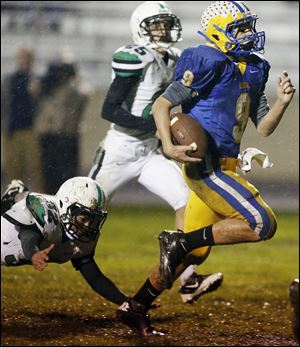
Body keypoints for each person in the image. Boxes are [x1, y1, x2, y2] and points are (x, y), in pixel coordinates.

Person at [116, 0, 296, 336]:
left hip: (226, 164)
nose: (249, 34)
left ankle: (135, 305)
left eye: (249, 26)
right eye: (240, 29)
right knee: (261, 223)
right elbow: (162, 104)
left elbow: (264, 126)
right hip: (207, 167)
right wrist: (169, 145)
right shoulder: (207, 59)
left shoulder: (256, 67)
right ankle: (177, 244)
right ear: (218, 32)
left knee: (194, 253)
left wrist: (283, 103)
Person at [88, 0, 223, 307]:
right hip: (119, 150)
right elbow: (109, 110)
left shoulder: (174, 57)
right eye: (155, 25)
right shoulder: (134, 58)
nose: (162, 30)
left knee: (186, 204)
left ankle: (187, 277)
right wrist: (155, 128)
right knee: (83, 212)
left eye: (165, 23)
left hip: (150, 152)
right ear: (140, 28)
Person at [1, 177, 127, 306]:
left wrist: (126, 302)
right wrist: (33, 253)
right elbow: (28, 235)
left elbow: (94, 277)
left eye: (94, 220)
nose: (88, 226)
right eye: (83, 219)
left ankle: (16, 195)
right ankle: (14, 196)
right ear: (66, 207)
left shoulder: (81, 240)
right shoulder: (48, 217)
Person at [35, 58, 88, 194]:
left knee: (66, 173)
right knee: (50, 173)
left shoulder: (73, 88)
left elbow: (79, 97)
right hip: (50, 135)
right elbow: (33, 89)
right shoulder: (49, 86)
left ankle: (66, 197)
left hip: (67, 135)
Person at [1, 45, 43, 192]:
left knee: (35, 168)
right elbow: (5, 102)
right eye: (22, 57)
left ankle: (38, 201)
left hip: (30, 129)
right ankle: (12, 203)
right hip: (11, 130)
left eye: (27, 57)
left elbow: (40, 104)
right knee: (12, 169)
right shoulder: (10, 79)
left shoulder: (35, 80)